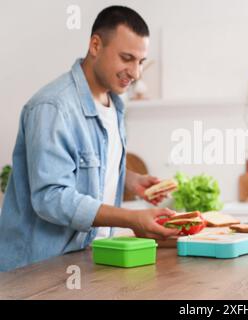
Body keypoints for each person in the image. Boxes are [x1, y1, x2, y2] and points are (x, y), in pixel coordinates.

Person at [0, 6, 179, 272]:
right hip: (37, 271)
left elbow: (87, 161)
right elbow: (51, 197)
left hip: (84, 261)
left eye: (140, 62)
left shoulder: (114, 104)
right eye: (126, 58)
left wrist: (130, 179)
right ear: (96, 45)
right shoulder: (53, 107)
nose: (136, 72)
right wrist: (132, 219)